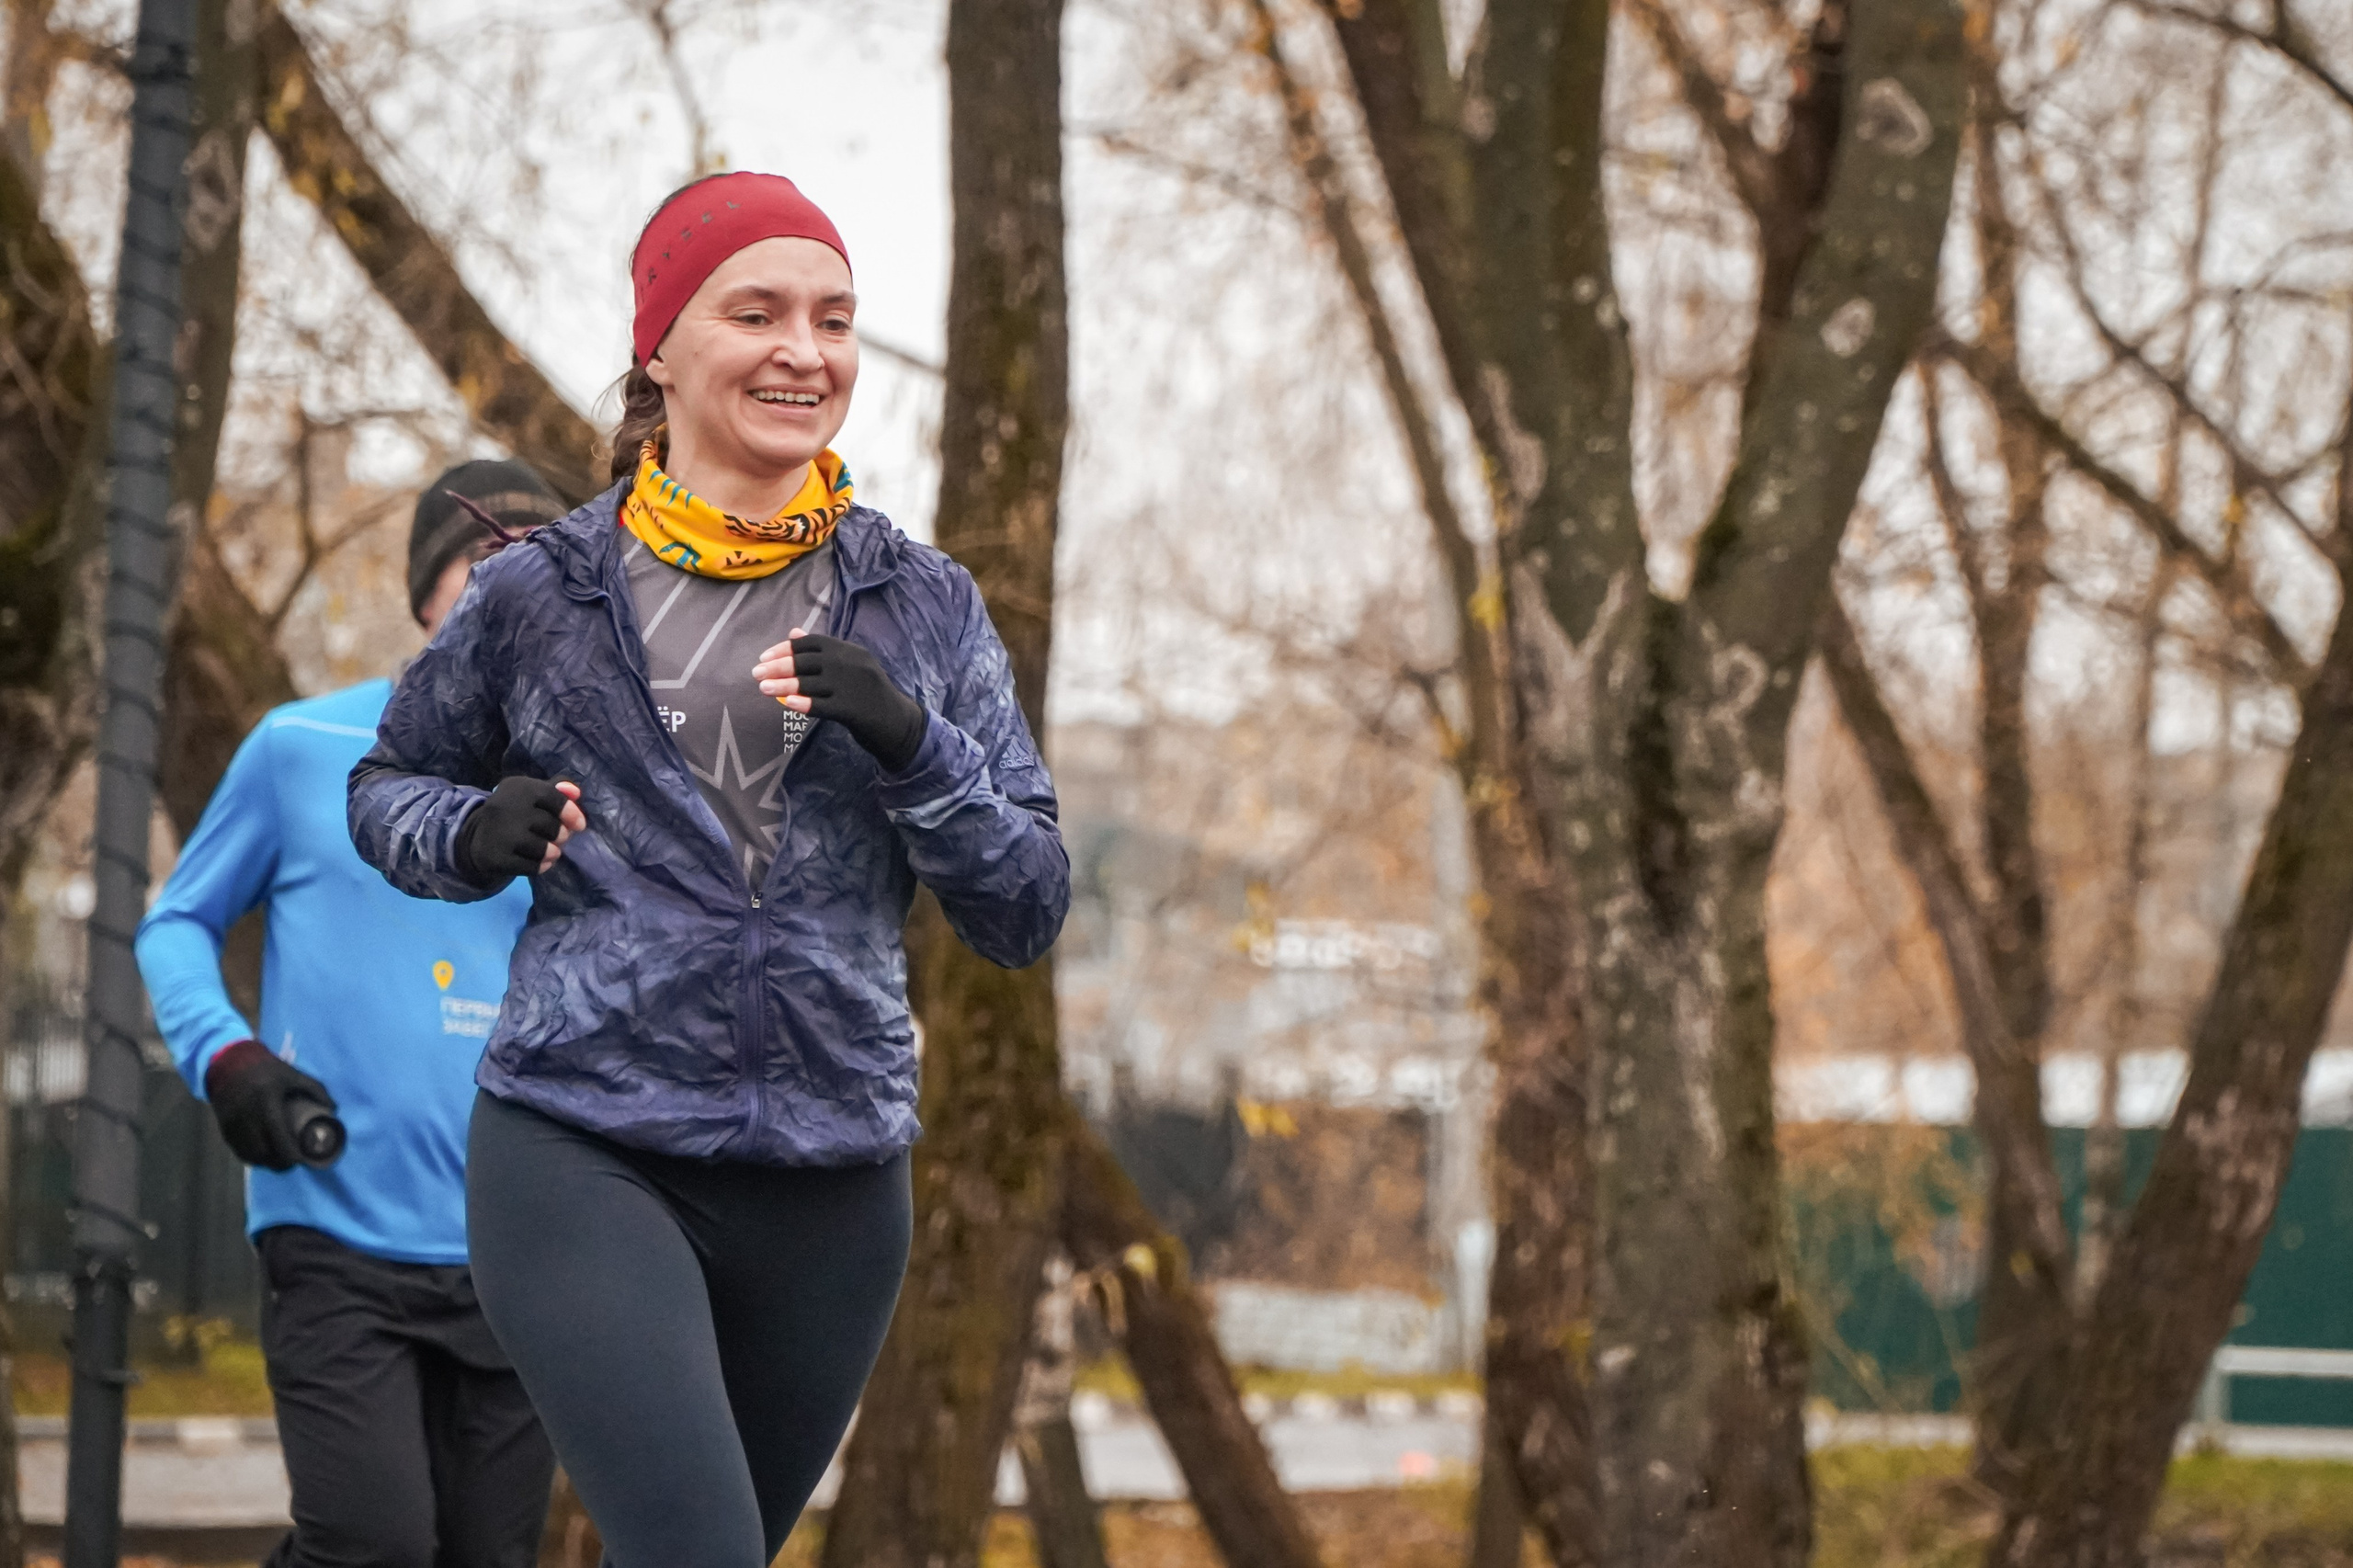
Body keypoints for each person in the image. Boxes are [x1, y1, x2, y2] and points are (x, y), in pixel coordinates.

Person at [346, 170, 1069, 1568]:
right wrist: (467, 831)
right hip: (587, 1144)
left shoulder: (921, 602)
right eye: (760, 311)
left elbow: (1025, 901)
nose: (807, 349)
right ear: (662, 348)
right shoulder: (539, 593)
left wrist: (917, 743)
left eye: (836, 317)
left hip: (835, 1173)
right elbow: (387, 789)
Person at [136, 460, 570, 1568]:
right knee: (370, 1546)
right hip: (334, 1226)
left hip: (520, 1252)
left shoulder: (585, 796)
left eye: (547, 563)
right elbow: (176, 922)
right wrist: (226, 1059)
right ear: (426, 592)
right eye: (482, 557)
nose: (512, 581)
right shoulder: (304, 750)